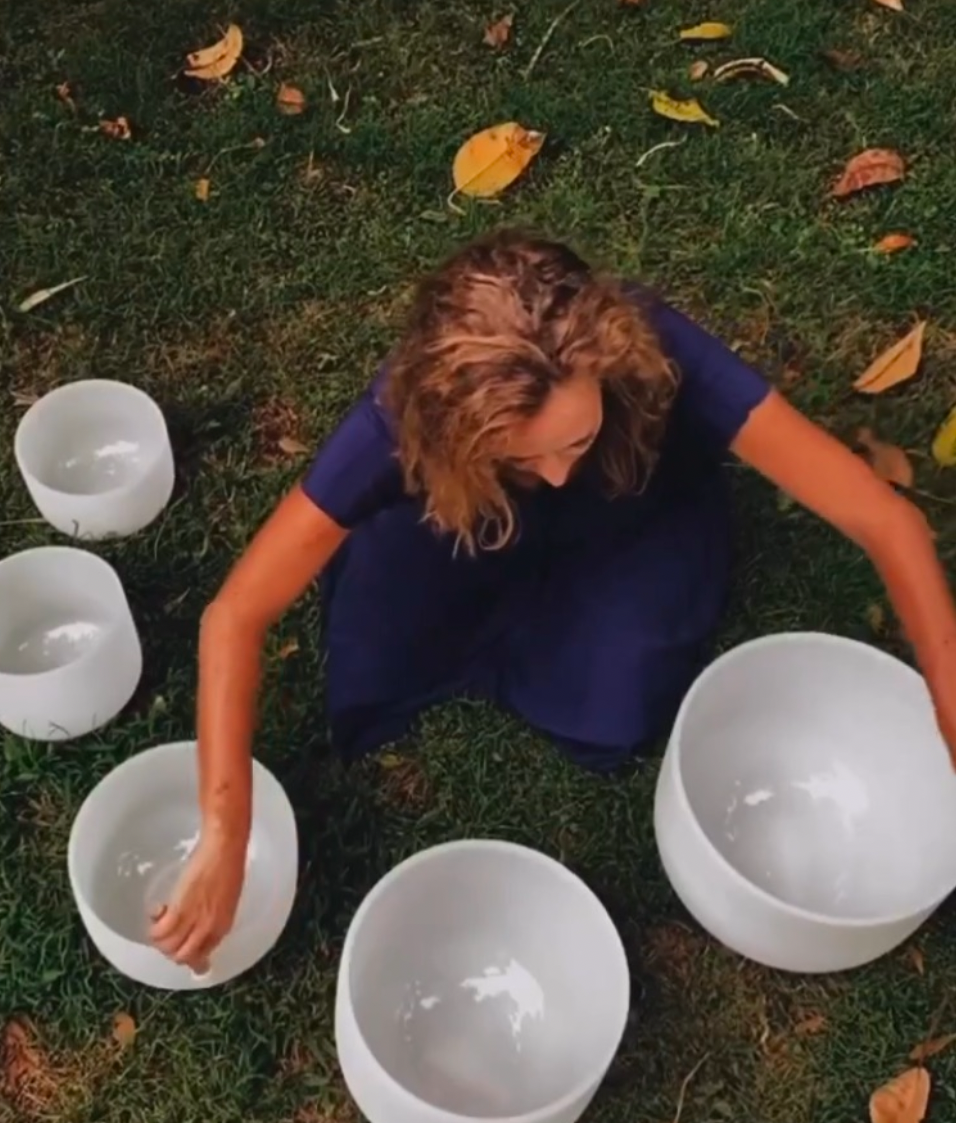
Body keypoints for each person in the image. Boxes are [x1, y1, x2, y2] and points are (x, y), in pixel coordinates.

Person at [151, 228, 956, 971]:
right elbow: (237, 613)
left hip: (630, 512)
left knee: (617, 701)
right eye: (523, 452)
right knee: (377, 654)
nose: (558, 471)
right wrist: (225, 830)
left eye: (574, 439)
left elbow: (884, 520)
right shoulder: (403, 417)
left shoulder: (656, 348)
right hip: (468, 520)